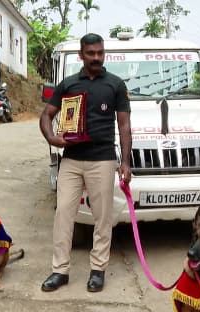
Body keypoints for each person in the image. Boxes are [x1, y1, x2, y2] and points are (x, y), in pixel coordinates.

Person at [38, 33, 132, 293]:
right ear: (81, 55)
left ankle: (98, 270)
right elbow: (46, 116)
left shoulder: (115, 85)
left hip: (102, 160)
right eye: (91, 53)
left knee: (102, 218)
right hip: (71, 160)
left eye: (100, 53)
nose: (96, 58)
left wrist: (125, 162)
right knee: (63, 215)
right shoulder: (68, 85)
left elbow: (124, 126)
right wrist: (52, 138)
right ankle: (60, 271)